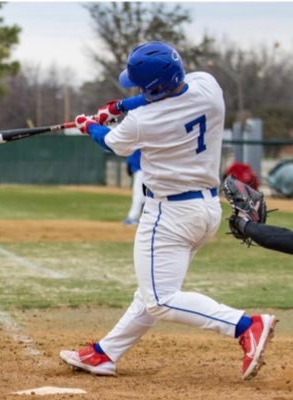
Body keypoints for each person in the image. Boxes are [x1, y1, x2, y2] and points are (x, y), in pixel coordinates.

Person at [60, 41, 277, 380]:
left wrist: (90, 125)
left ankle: (245, 325)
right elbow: (160, 97)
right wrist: (118, 105)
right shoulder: (208, 86)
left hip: (169, 213)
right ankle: (105, 354)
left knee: (160, 299)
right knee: (153, 291)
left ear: (153, 88)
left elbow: (112, 141)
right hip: (205, 210)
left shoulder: (142, 121)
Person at [124, 149, 145, 225]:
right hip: (143, 169)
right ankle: (140, 217)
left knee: (139, 194)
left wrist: (129, 163)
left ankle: (133, 217)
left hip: (141, 169)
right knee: (143, 195)